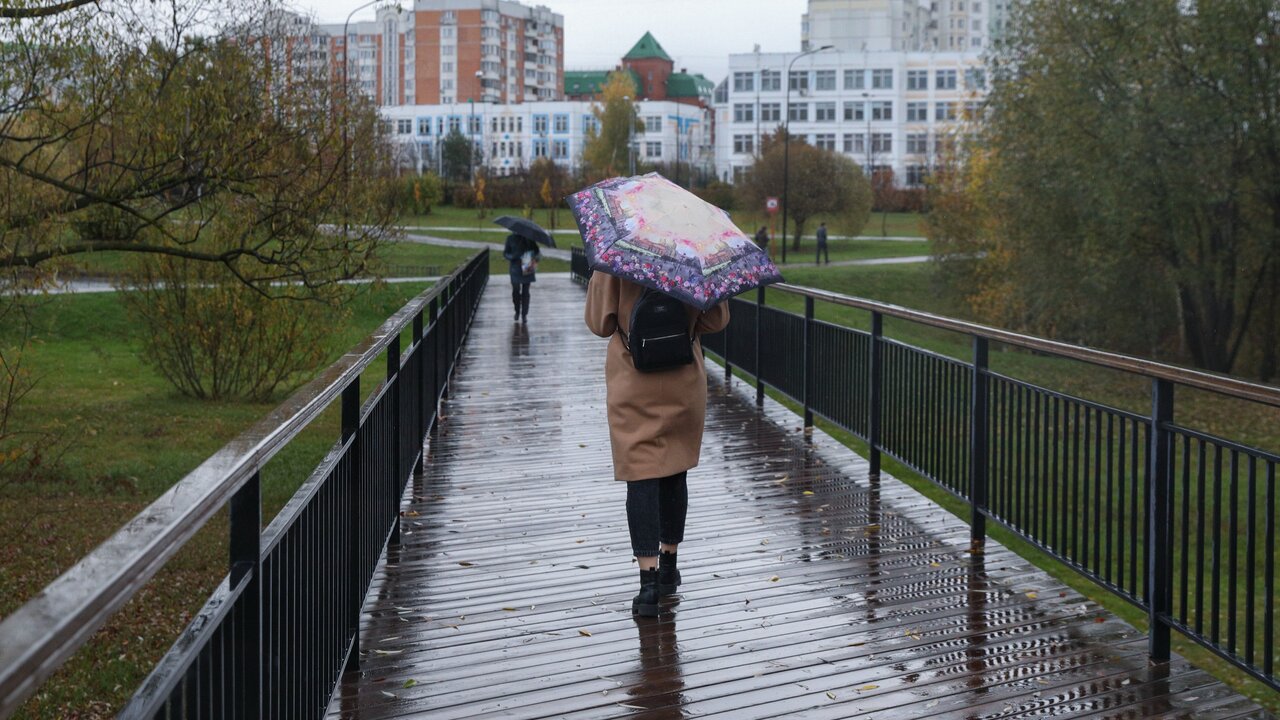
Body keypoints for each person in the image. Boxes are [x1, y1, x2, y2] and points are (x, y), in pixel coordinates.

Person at [584, 272, 730, 617]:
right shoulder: (694, 256)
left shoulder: (616, 261)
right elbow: (717, 319)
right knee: (675, 470)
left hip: (633, 377)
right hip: (683, 378)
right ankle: (669, 564)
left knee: (641, 475)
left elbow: (598, 323)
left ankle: (647, 585)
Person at [502, 232, 541, 322]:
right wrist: (512, 257)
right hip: (515, 268)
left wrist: (532, 256)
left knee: (525, 292)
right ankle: (517, 311)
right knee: (515, 290)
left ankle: (524, 314)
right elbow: (505, 253)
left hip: (527, 267)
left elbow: (537, 251)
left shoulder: (529, 239)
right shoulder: (510, 238)